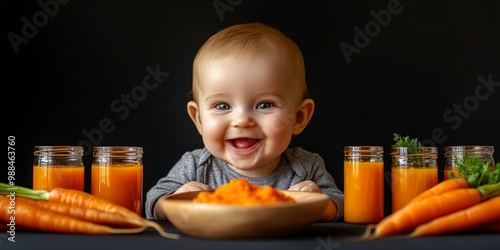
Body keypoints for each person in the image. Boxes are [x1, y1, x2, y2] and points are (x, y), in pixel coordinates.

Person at [145, 22, 344, 222]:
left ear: (299, 117)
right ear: (199, 119)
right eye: (222, 106)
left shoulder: (305, 166)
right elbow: (153, 202)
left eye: (265, 105)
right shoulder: (196, 166)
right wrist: (175, 199)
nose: (242, 121)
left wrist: (318, 202)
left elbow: (339, 205)